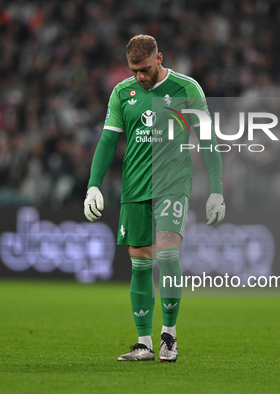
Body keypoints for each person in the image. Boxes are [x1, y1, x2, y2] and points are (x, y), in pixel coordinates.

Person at [84, 34, 225, 362]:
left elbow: (208, 140)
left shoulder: (186, 89)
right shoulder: (122, 93)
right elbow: (107, 142)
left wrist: (216, 189)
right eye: (134, 70)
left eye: (145, 69)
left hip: (172, 184)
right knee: (140, 263)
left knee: (166, 253)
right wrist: (93, 184)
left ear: (159, 59)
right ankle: (144, 343)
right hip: (134, 188)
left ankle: (169, 337)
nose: (140, 77)